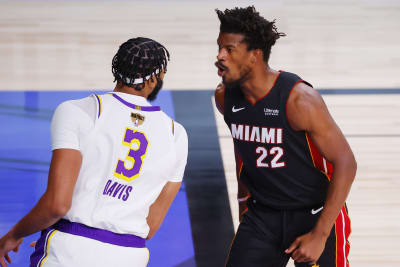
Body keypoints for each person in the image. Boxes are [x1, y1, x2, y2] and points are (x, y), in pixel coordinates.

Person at [0, 37, 188, 267]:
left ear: (116, 67)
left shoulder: (79, 111)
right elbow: (150, 226)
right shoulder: (176, 135)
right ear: (156, 77)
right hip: (129, 256)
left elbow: (57, 205)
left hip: (69, 251)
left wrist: (15, 235)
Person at [214, 6, 356, 267]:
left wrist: (320, 234)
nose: (220, 56)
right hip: (263, 215)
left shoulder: (300, 100)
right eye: (220, 47)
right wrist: (243, 199)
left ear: (254, 55)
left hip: (316, 214)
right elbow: (244, 149)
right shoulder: (225, 97)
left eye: (229, 49)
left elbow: (346, 163)